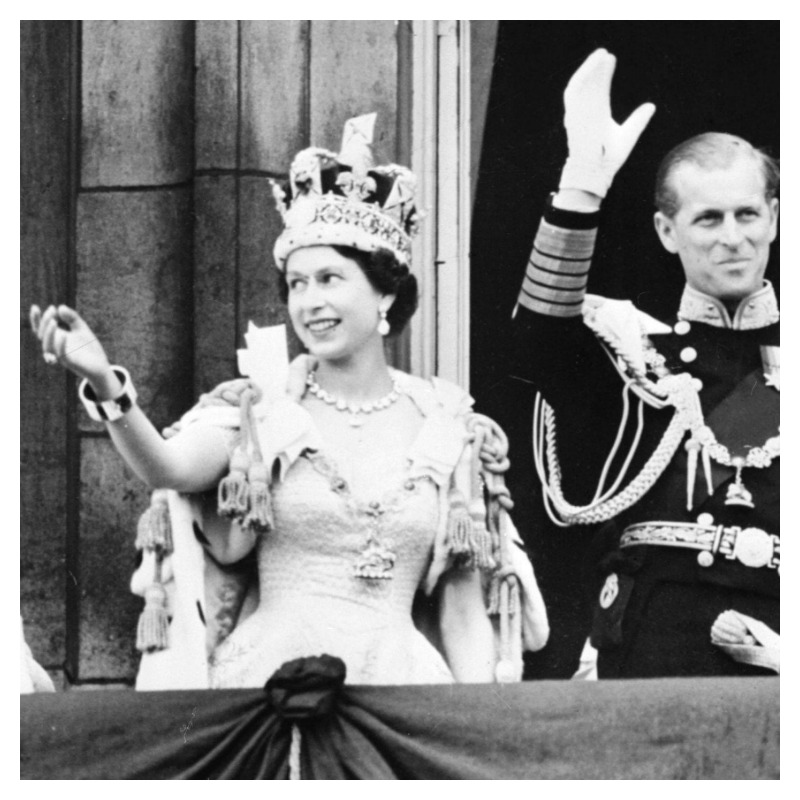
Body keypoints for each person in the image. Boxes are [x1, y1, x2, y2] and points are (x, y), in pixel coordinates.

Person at [30, 114, 548, 690]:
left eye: (329, 278)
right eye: (296, 284)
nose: (309, 302)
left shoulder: (446, 425)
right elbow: (167, 467)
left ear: (386, 294)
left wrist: (480, 731)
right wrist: (106, 384)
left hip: (402, 694)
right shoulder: (263, 411)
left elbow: (461, 610)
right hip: (269, 688)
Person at [510, 50, 779, 678]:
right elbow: (537, 349)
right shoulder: (635, 347)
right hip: (655, 637)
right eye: (707, 218)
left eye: (747, 214)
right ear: (666, 230)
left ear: (774, 217)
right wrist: (582, 183)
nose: (731, 236)